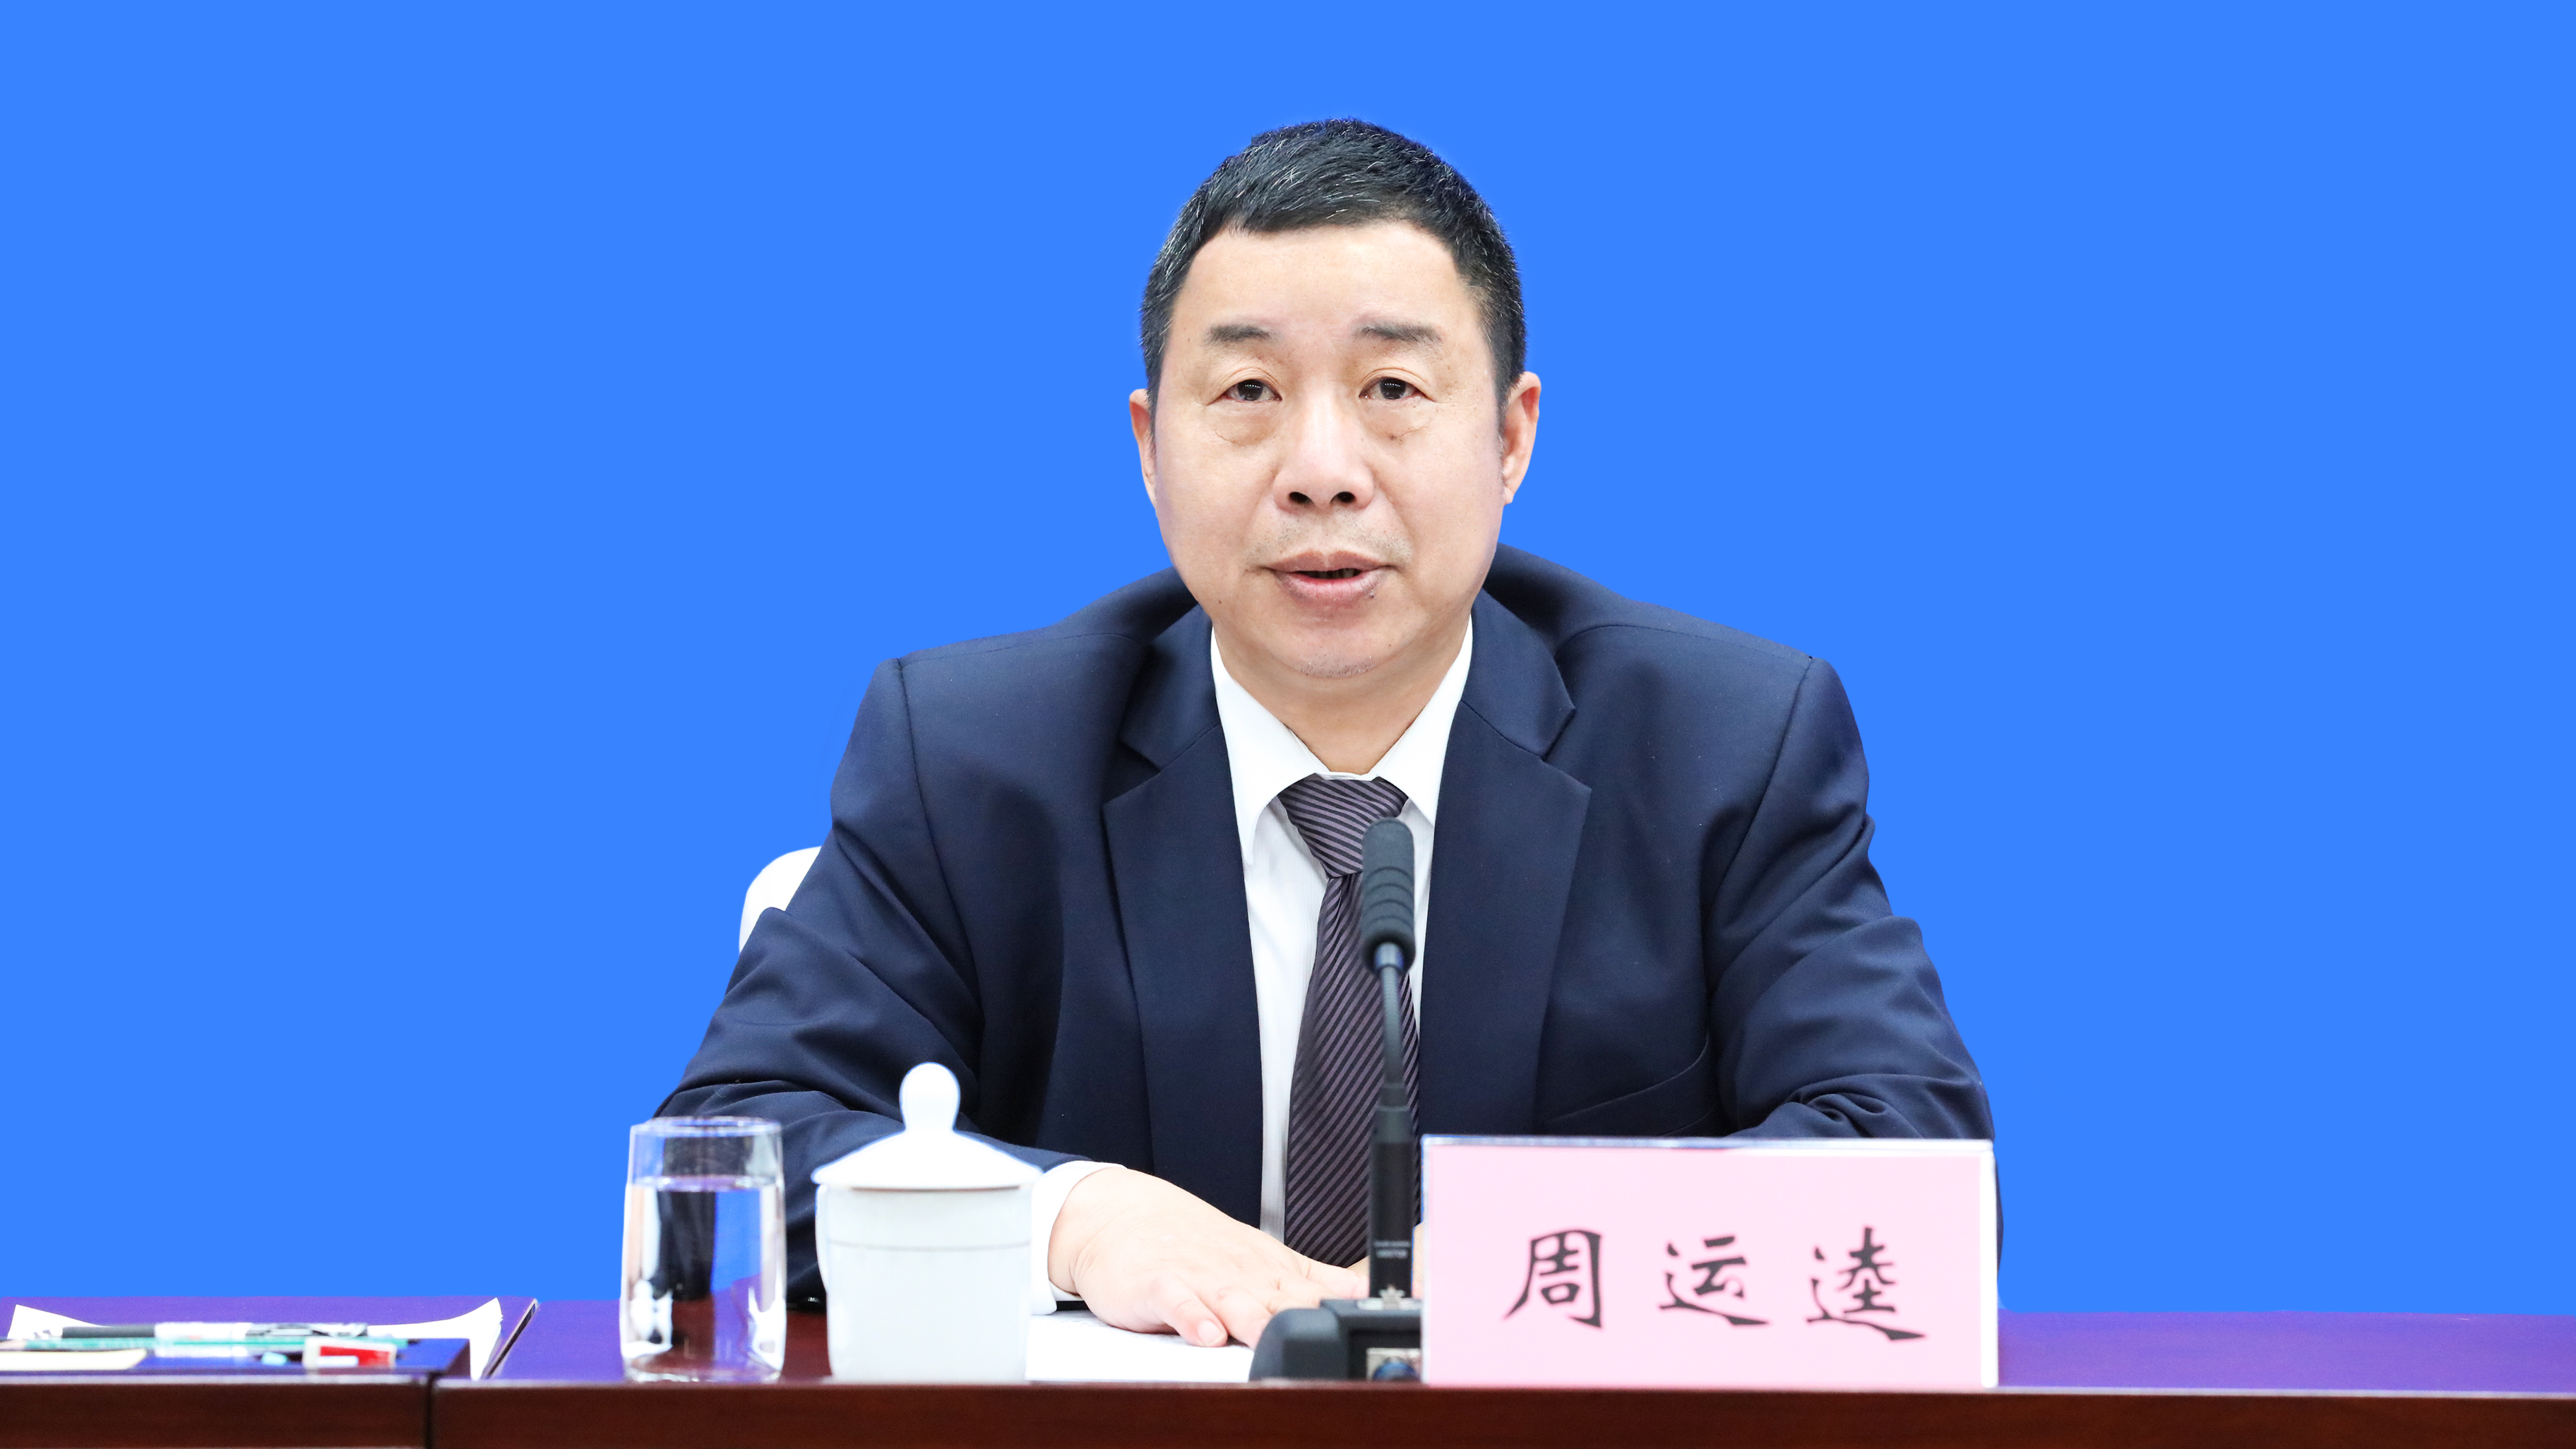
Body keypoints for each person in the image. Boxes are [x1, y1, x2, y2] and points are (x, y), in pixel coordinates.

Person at [662, 119, 1990, 1350]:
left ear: (1511, 436)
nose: (1321, 470)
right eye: (1247, 389)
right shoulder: (975, 755)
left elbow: (1917, 1169)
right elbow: (731, 1150)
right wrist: (1071, 1217)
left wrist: (1516, 1261)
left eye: (1393, 387)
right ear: (1151, 447)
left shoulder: (1721, 748)